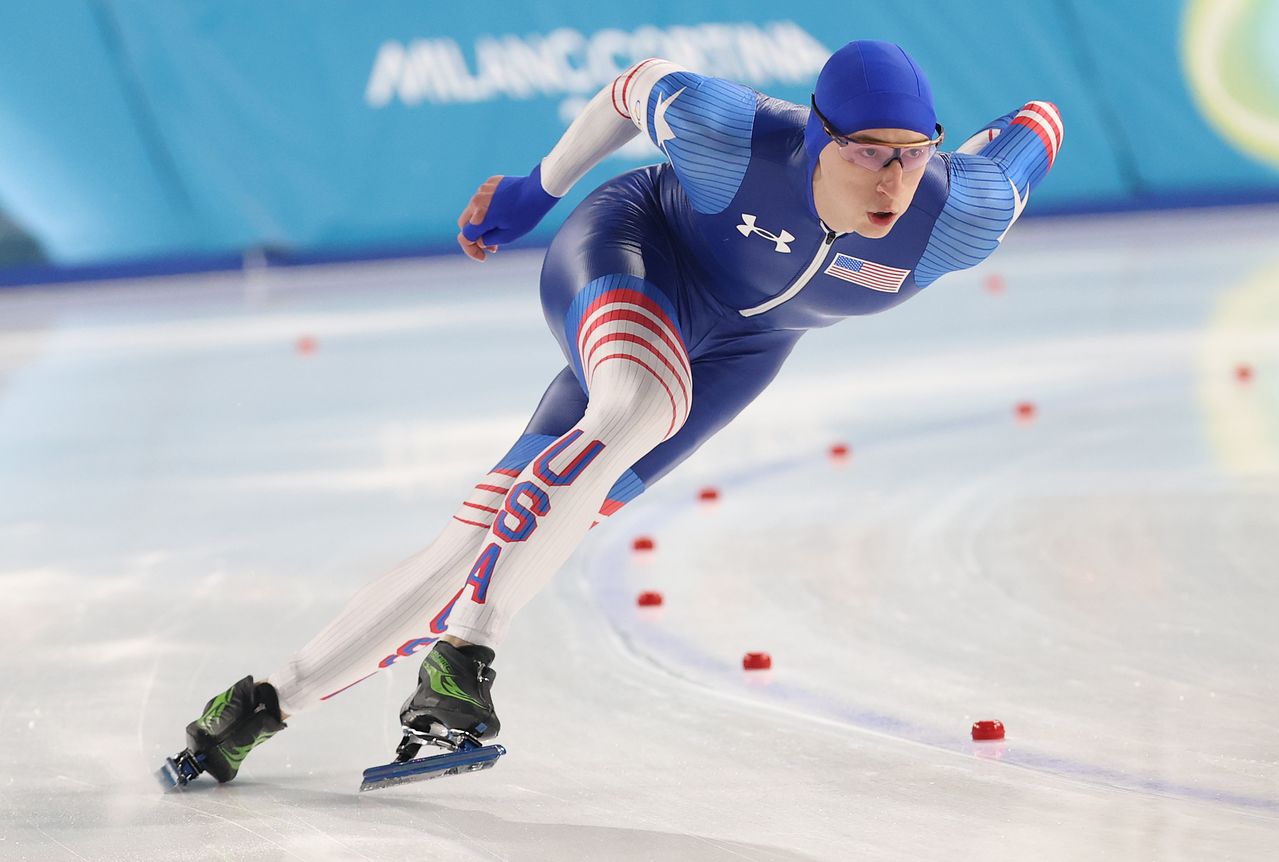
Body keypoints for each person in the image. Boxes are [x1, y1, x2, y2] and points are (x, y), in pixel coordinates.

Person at [174, 40, 1062, 783]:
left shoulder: (960, 210)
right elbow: (630, 86)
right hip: (634, 251)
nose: (892, 178)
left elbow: (1037, 126)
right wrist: (533, 188)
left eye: (910, 152)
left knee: (480, 538)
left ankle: (253, 708)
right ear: (816, 139)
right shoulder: (735, 134)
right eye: (867, 151)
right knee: (638, 403)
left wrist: (984, 142)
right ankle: (468, 656)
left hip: (748, 350)